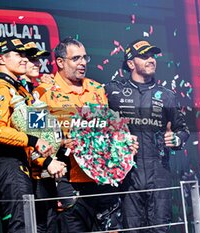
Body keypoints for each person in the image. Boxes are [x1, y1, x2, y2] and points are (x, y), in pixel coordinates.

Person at [34, 37, 138, 232]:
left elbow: (109, 129)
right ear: (60, 62)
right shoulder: (43, 92)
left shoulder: (97, 89)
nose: (82, 63)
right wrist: (61, 142)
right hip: (68, 180)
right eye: (76, 59)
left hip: (102, 179)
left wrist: (124, 142)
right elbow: (34, 138)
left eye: (85, 58)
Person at [105, 39, 190, 233]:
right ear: (130, 63)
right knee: (131, 229)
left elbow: (182, 129)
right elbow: (97, 126)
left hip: (159, 172)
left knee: (160, 229)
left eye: (152, 56)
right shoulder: (113, 91)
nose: (151, 60)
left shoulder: (166, 95)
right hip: (128, 174)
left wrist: (177, 140)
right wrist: (114, 138)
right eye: (144, 56)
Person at [0, 38, 54, 233]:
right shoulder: (1, 90)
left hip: (18, 167)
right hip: (9, 167)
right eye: (20, 55)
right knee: (22, 229)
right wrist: (34, 141)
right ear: (1, 58)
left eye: (26, 56)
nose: (25, 60)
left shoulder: (16, 89)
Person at [22, 41, 67, 233]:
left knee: (49, 224)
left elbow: (42, 133)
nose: (37, 63)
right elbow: (28, 137)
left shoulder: (34, 92)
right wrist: (46, 161)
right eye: (32, 59)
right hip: (31, 174)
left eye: (39, 59)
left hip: (45, 171)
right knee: (36, 226)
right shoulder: (20, 94)